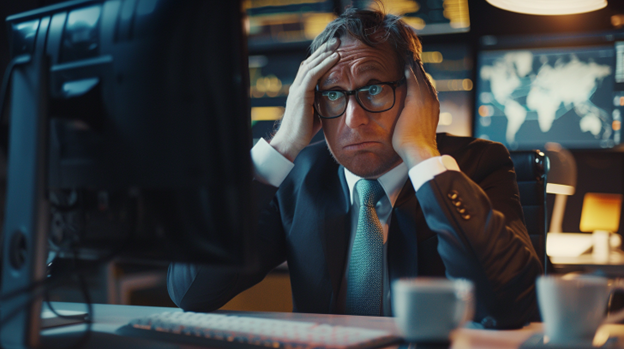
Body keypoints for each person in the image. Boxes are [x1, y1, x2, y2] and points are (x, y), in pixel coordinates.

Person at [167, 8, 542, 329]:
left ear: (415, 93)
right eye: (332, 94)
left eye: (374, 88)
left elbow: (510, 305)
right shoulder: (299, 176)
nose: (352, 120)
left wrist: (422, 156)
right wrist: (282, 147)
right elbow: (191, 290)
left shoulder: (476, 165)